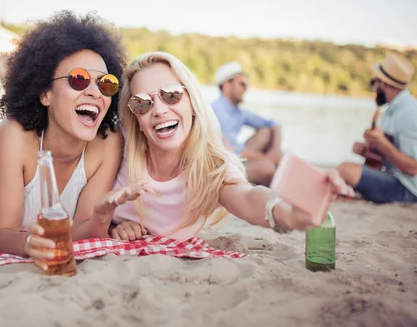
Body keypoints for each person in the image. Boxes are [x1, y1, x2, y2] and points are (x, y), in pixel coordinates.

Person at [109, 52, 344, 241]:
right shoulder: (117, 153)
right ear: (135, 118)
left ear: (193, 103)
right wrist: (113, 225)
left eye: (171, 94)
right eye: (142, 103)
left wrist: (287, 214)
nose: (159, 110)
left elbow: (247, 197)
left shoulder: (212, 166)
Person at [0, 11, 147, 269]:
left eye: (105, 84)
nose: (95, 92)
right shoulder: (12, 136)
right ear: (45, 93)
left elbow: (82, 229)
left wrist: (102, 219)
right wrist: (30, 244)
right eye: (79, 80)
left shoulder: (108, 142)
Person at [337, 53, 417, 203]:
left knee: (344, 170)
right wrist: (368, 151)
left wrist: (383, 144)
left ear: (384, 84)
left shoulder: (410, 113)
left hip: (409, 189)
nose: (374, 87)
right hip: (392, 177)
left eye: (375, 81)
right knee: (341, 176)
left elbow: (413, 167)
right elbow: (387, 159)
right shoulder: (391, 111)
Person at [211, 61, 282, 186]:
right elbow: (232, 149)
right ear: (227, 85)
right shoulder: (216, 110)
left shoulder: (238, 111)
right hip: (220, 166)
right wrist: (267, 159)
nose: (246, 88)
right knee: (268, 167)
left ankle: (263, 186)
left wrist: (276, 150)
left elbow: (272, 123)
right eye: (242, 84)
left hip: (235, 158)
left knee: (266, 131)